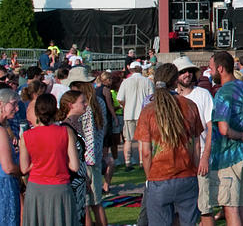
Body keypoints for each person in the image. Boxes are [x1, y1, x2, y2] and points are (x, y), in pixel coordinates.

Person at [135, 62, 203, 226]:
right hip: (186, 175)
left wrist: (150, 175)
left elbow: (145, 151)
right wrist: (193, 168)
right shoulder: (190, 105)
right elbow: (196, 145)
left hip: (159, 177)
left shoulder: (148, 111)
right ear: (175, 82)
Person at [208, 51, 243, 226]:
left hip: (229, 157)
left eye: (211, 68)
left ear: (220, 69)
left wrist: (241, 136)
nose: (210, 71)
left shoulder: (223, 93)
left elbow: (223, 129)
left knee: (231, 208)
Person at [19, 93, 79, 225]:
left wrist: (37, 164)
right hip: (60, 188)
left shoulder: (26, 136)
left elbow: (24, 169)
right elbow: (74, 166)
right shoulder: (65, 132)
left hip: (36, 189)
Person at [174, 56, 215, 221]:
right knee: (179, 211)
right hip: (177, 161)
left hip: (200, 160)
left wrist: (205, 157)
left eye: (189, 71)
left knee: (205, 208)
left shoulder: (203, 94)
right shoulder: (171, 98)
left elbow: (211, 128)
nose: (187, 75)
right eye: (183, 72)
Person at [70, 71, 110, 226]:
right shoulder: (98, 102)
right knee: (96, 203)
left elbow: (87, 137)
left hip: (85, 161)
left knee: (85, 206)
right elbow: (101, 131)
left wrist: (85, 162)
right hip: (95, 158)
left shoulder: (84, 108)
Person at [118, 59, 155, 170]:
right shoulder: (147, 81)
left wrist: (126, 106)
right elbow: (151, 98)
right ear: (140, 69)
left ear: (131, 69)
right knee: (142, 139)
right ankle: (141, 161)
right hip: (143, 114)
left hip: (129, 114)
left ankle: (128, 162)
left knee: (128, 140)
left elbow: (120, 99)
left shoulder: (126, 82)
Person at [0, 87, 23, 224]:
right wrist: (24, 169)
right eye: (13, 104)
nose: (17, 108)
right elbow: (8, 167)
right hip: (4, 186)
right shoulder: (1, 131)